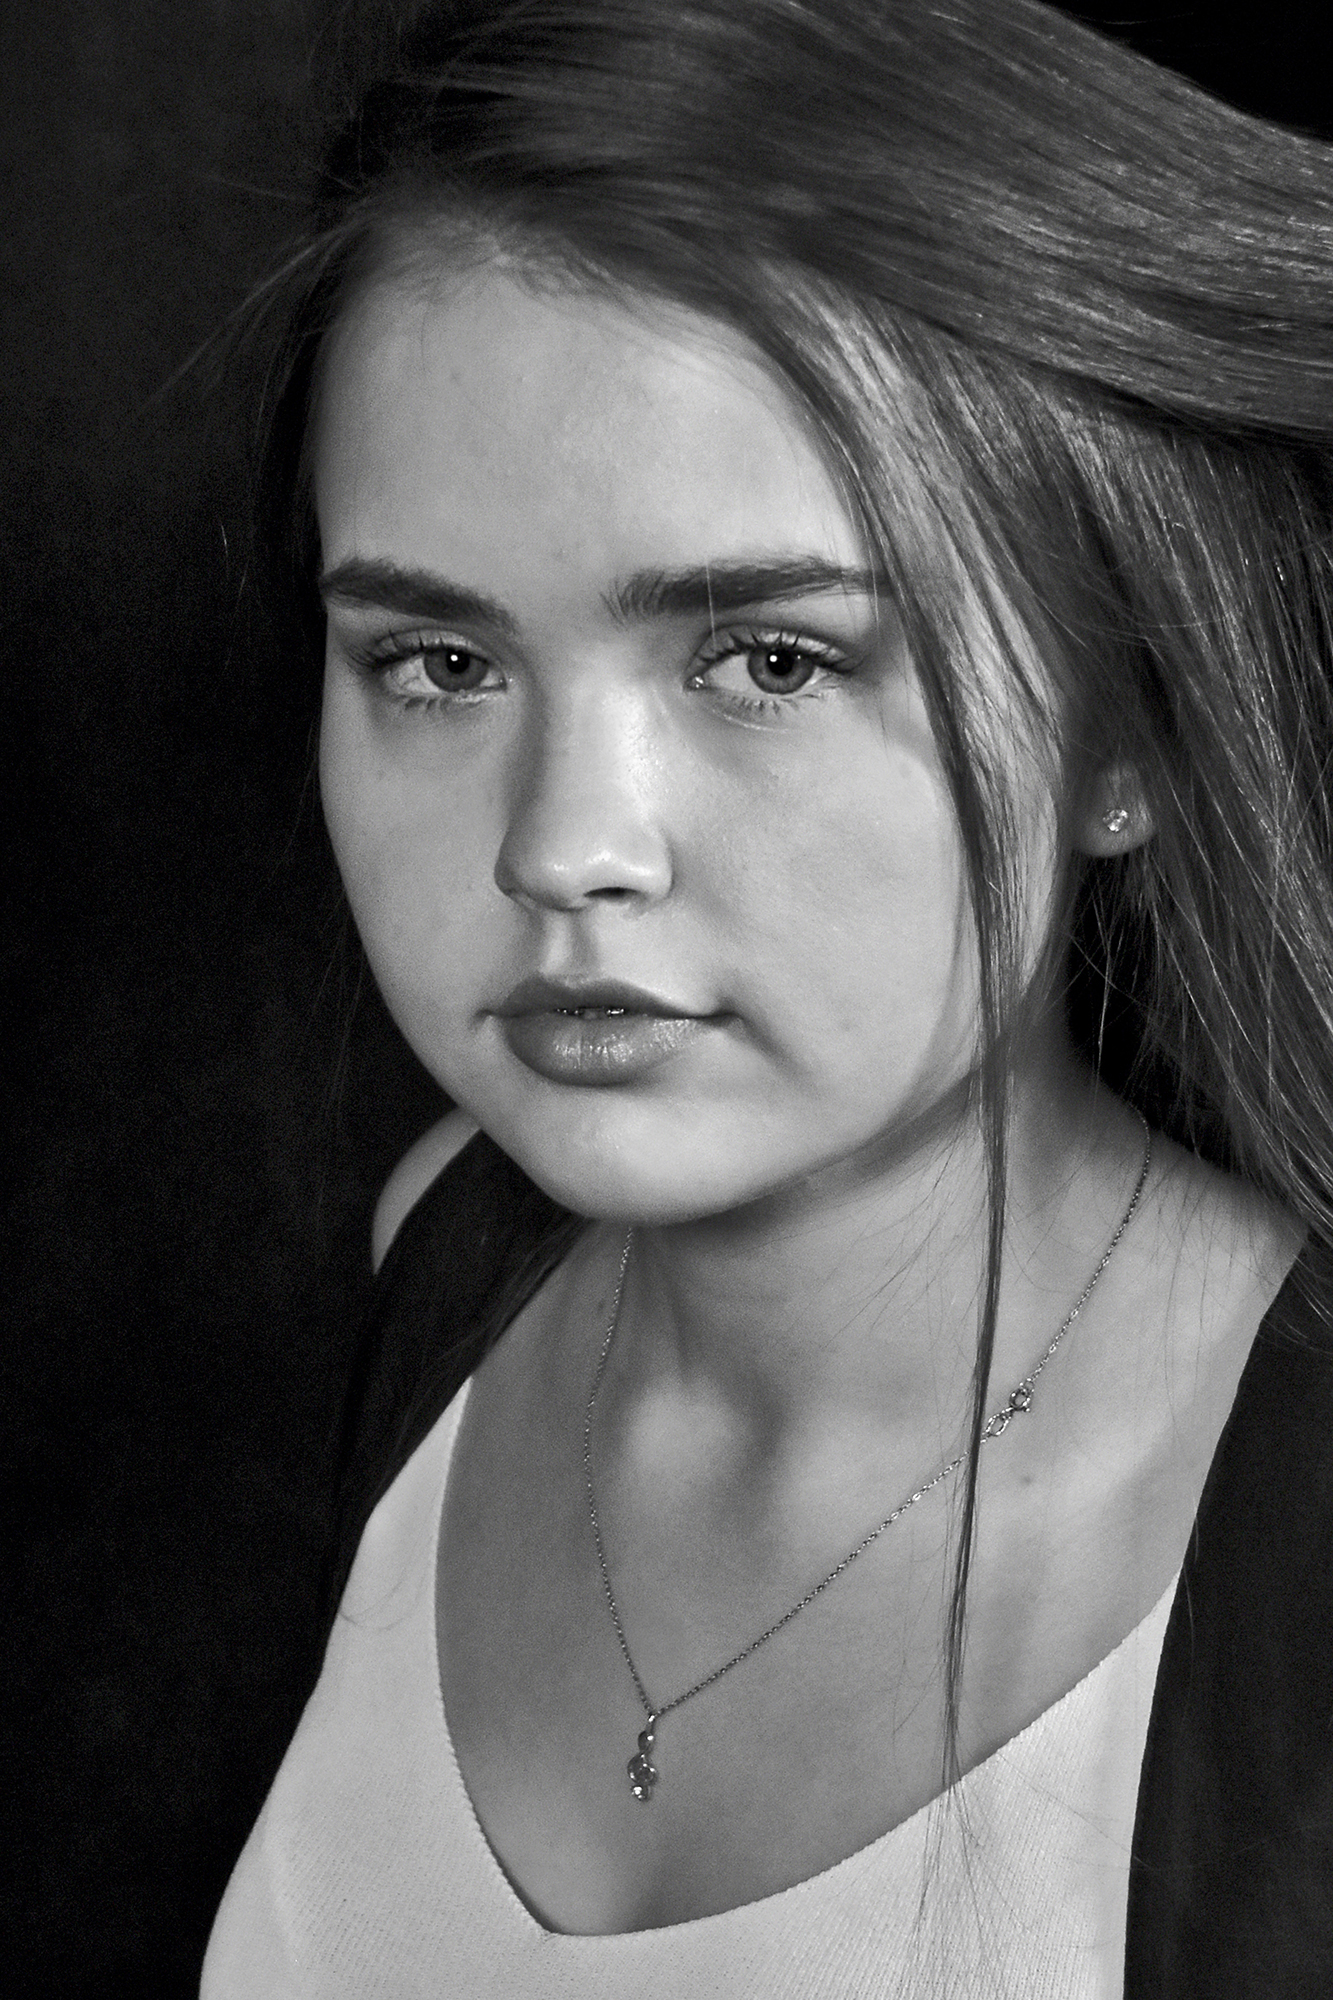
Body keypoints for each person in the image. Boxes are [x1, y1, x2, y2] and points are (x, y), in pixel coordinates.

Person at [202, 0, 1333, 1991]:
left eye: (772, 662)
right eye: (438, 665)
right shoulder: (451, 1255)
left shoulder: (1285, 1552)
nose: (563, 847)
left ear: (1128, 726)